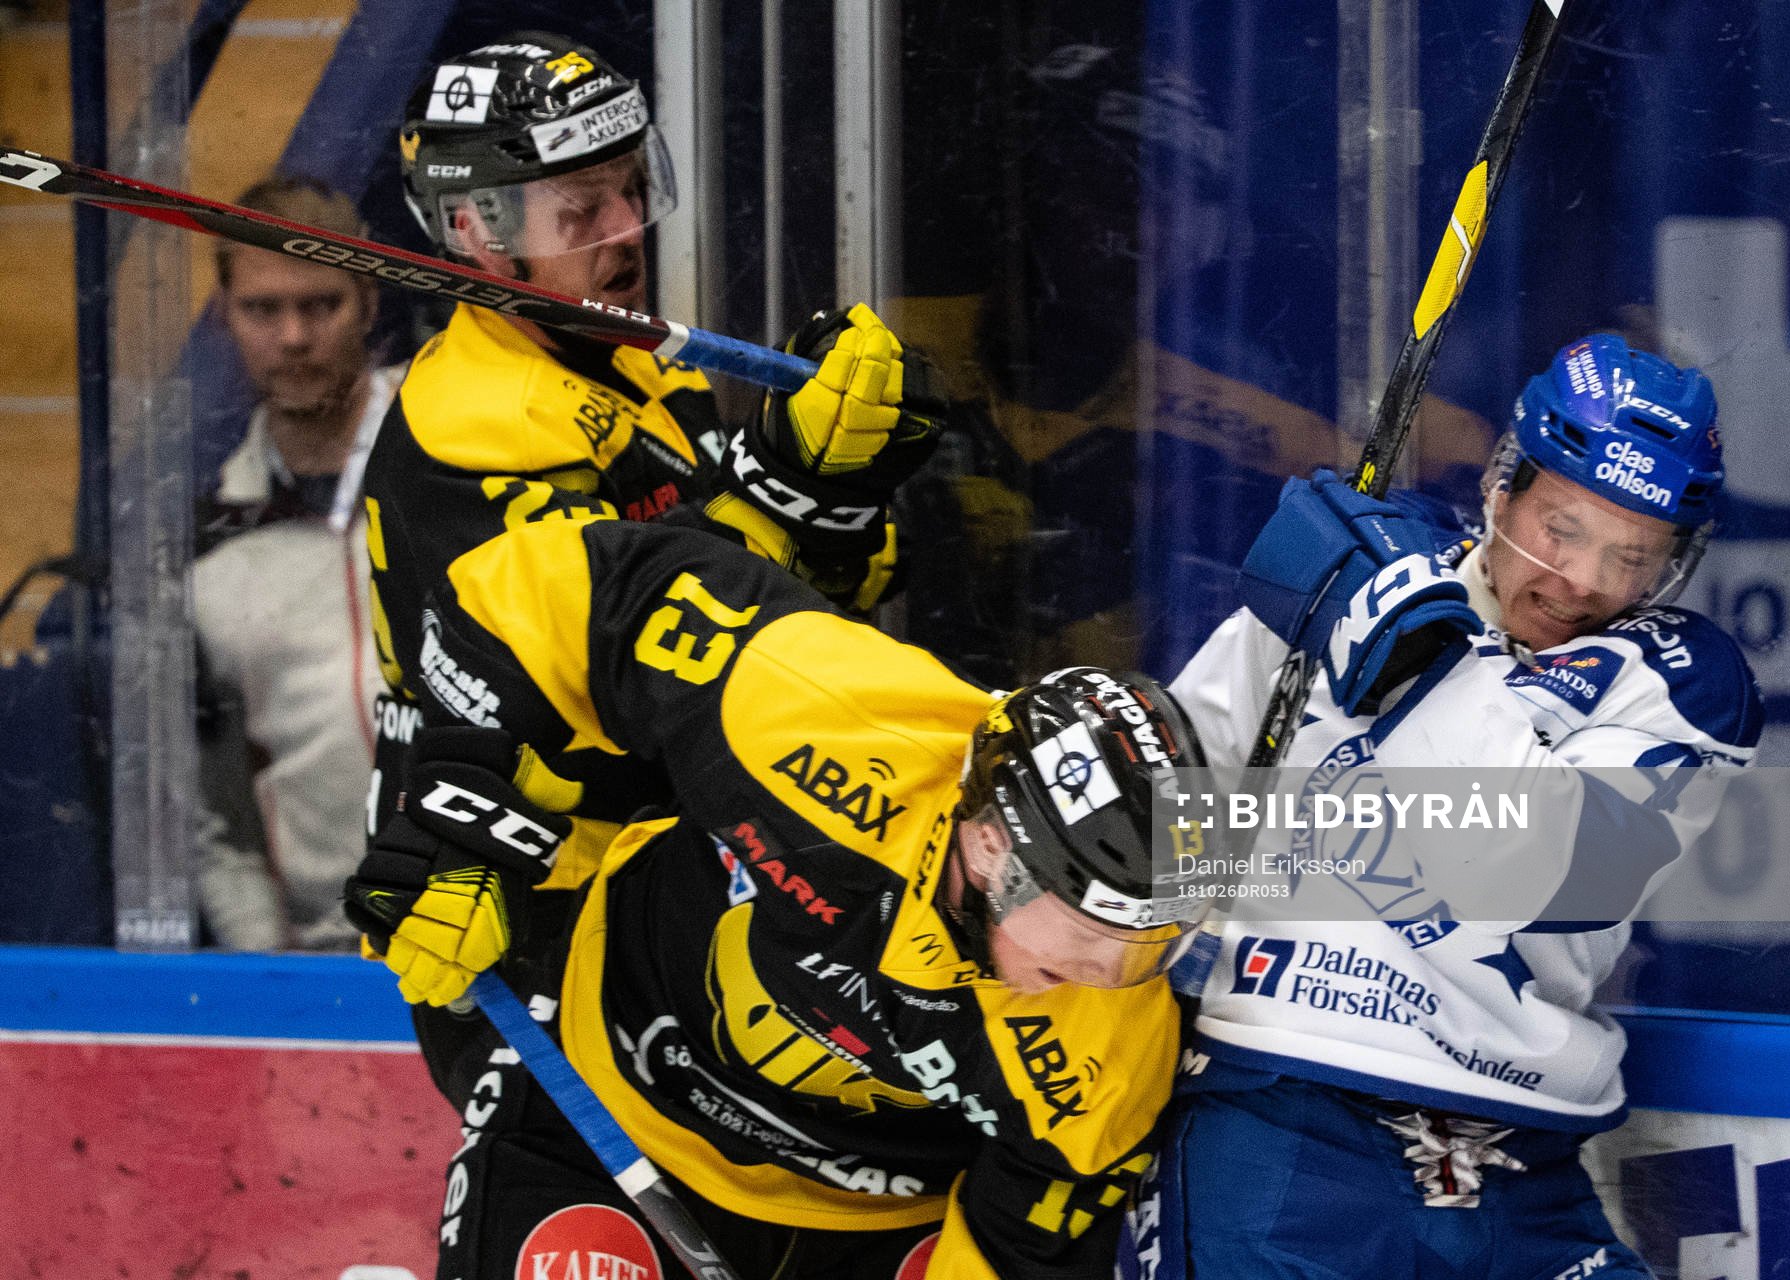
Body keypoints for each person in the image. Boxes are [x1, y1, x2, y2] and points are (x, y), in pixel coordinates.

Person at [344, 513, 1213, 1277]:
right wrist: (464, 835)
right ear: (991, 847)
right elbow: (540, 587)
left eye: (1146, 943)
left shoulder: (1114, 1044)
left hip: (880, 1227)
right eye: (1090, 929)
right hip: (610, 1105)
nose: (1105, 975)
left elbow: (1021, 1247)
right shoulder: (821, 716)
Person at [361, 28, 945, 1113]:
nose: (627, 235)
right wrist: (780, 476)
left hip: (670, 867)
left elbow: (800, 610)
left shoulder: (623, 358)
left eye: (633, 190)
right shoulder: (478, 423)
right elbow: (643, 661)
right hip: (530, 904)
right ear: (471, 229)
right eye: (580, 212)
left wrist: (831, 484)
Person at [1139, 335, 1764, 1278]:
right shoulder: (1344, 576)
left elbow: (1535, 869)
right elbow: (1164, 819)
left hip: (1518, 1161)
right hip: (1281, 1122)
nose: (1590, 582)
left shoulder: (1678, 681)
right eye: (1562, 529)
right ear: (1501, 488)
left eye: (1634, 556)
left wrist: (1416, 652)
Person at [193, 175, 402, 951]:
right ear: (225, 316)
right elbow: (216, 818)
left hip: (518, 943)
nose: (292, 337)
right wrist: (268, 973)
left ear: (370, 303)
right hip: (332, 960)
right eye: (262, 309)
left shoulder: (458, 457)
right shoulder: (210, 548)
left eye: (320, 305)